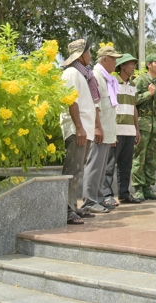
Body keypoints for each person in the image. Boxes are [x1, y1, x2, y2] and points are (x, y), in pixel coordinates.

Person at [60, 39, 104, 225]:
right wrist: (78, 127)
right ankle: (67, 210)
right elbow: (71, 101)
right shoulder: (71, 73)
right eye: (89, 52)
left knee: (78, 169)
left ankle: (73, 207)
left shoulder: (82, 74)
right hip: (76, 129)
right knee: (72, 170)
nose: (91, 56)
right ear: (80, 55)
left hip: (84, 129)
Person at [84, 44, 121, 212]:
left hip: (106, 131)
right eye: (113, 59)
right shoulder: (97, 77)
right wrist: (97, 128)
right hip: (98, 131)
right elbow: (95, 105)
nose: (115, 63)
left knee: (101, 168)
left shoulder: (108, 79)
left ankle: (98, 200)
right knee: (94, 167)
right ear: (104, 59)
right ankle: (90, 202)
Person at [131, 52, 156, 202]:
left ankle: (148, 188)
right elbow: (133, 101)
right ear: (148, 64)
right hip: (142, 124)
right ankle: (138, 188)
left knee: (152, 159)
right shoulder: (140, 81)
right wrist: (148, 93)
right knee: (139, 157)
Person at [102, 53, 139, 205]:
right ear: (123, 66)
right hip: (116, 131)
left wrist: (137, 129)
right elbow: (109, 107)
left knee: (126, 166)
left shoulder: (133, 85)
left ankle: (124, 193)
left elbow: (134, 108)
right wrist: (111, 130)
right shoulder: (112, 82)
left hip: (129, 131)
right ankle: (106, 195)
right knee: (109, 165)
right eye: (131, 64)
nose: (133, 67)